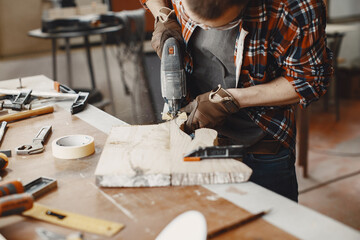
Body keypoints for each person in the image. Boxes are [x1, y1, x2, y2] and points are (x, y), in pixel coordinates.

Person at [140, 0, 333, 202]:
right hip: (194, 139)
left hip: (260, 144)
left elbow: (309, 81)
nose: (203, 29)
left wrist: (231, 100)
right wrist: (164, 16)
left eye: (220, 26)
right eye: (192, 19)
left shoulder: (295, 6)